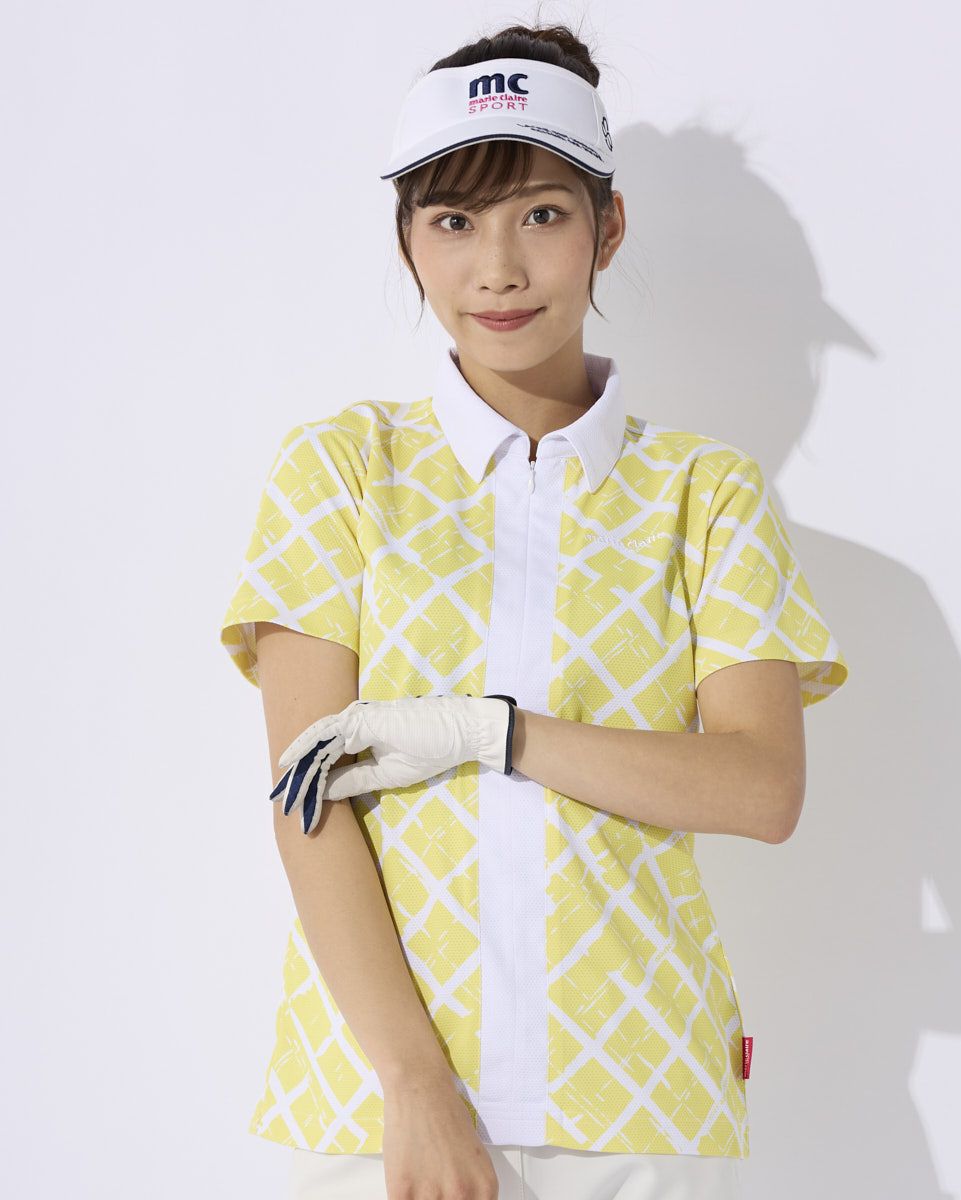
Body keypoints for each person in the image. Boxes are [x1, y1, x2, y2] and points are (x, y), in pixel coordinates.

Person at [218, 20, 850, 1200]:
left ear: (608, 228)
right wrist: (417, 1086)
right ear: (407, 239)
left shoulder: (702, 493)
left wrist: (490, 732)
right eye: (452, 222)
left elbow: (760, 789)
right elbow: (307, 802)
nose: (497, 269)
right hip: (377, 1108)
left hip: (637, 1101)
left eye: (542, 215)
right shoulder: (341, 470)